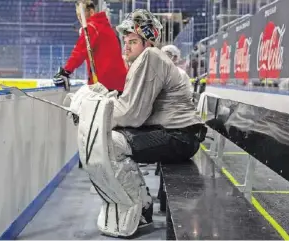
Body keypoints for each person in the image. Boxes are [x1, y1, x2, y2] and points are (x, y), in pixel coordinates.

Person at [65, 9, 206, 238]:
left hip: (179, 136)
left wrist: (93, 114)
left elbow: (132, 115)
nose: (126, 46)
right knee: (111, 140)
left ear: (148, 41)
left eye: (132, 41)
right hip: (177, 134)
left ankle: (139, 208)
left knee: (109, 143)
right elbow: (132, 107)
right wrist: (105, 102)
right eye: (125, 41)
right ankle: (140, 204)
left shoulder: (150, 58)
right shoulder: (147, 60)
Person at [54, 0, 127, 93]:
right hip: (118, 84)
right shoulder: (106, 27)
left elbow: (79, 52)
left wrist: (66, 71)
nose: (80, 19)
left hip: (104, 85)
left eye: (81, 15)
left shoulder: (92, 27)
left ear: (91, 12)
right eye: (78, 16)